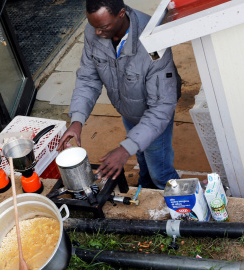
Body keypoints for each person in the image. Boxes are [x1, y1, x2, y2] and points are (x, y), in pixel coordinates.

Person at [56, 0, 181, 189]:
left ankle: (187, 210)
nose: (97, 33)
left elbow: (162, 107)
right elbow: (88, 78)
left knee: (160, 172)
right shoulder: (96, 29)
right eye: (93, 26)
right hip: (128, 110)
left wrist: (125, 149)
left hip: (154, 117)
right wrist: (77, 120)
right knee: (142, 157)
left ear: (121, 14)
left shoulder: (152, 40)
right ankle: (145, 189)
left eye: (104, 26)